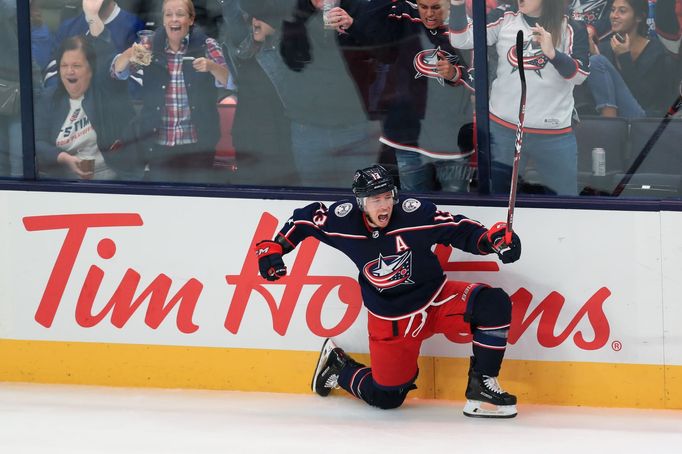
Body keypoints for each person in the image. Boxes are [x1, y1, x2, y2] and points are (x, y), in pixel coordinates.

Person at [254, 164, 522, 418]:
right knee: (387, 397)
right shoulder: (343, 221)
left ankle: (481, 388)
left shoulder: (413, 213)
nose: (384, 205)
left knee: (493, 303)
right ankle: (339, 369)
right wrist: (277, 246)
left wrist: (492, 240)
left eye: (387, 196)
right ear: (361, 202)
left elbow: (457, 228)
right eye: (375, 199)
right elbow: (304, 219)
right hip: (391, 320)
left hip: (436, 299)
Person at [449, 0, 590, 196]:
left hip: (554, 134)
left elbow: (580, 76)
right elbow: (461, 40)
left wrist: (553, 53)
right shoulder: (504, 17)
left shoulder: (571, 27)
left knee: (565, 202)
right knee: (499, 199)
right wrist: (456, 5)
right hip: (503, 130)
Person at [348, 0, 476, 192]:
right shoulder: (403, 15)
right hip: (408, 135)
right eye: (423, 7)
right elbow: (367, 25)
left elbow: (483, 81)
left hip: (452, 139)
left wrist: (455, 74)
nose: (429, 14)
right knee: (413, 205)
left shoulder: (466, 29)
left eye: (436, 7)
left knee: (458, 206)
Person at [112, 0, 229, 183]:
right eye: (168, 14)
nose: (174, 19)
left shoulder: (206, 45)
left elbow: (230, 82)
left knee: (197, 203)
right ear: (163, 20)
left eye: (180, 14)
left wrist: (212, 67)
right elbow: (118, 73)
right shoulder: (150, 46)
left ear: (191, 20)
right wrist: (127, 55)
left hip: (198, 146)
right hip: (159, 146)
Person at [277, 0, 380, 188]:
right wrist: (307, 20)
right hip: (308, 124)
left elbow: (382, 53)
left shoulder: (357, 7)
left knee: (360, 193)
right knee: (315, 197)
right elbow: (292, 61)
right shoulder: (295, 10)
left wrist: (353, 26)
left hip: (353, 123)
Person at [34, 29, 136, 180]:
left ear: (90, 68)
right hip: (63, 183)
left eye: (76, 65)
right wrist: (61, 157)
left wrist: (126, 56)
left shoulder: (105, 90)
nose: (69, 71)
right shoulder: (49, 97)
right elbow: (37, 141)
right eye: (64, 65)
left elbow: (116, 69)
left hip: (110, 182)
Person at [221, 0, 299, 186]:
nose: (255, 21)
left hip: (280, 132)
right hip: (248, 133)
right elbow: (232, 13)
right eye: (253, 17)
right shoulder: (244, 46)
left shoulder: (283, 50)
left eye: (262, 18)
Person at [586, 0, 674, 118]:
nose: (614, 16)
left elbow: (644, 99)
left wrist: (624, 58)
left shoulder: (656, 51)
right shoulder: (603, 48)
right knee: (595, 60)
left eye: (622, 11)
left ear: (639, 17)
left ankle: (609, 125)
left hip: (642, 120)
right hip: (613, 119)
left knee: (597, 61)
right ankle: (609, 124)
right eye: (612, 10)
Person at [44, 0, 145, 95]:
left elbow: (136, 85)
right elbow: (51, 77)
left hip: (111, 110)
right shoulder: (68, 27)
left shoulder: (135, 27)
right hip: (70, 108)